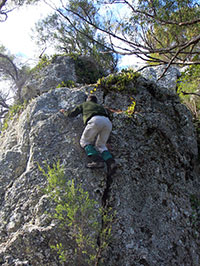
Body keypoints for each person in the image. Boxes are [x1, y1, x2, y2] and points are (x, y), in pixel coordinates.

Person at [60, 95, 117, 176]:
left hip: (95, 120)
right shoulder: (101, 107)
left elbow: (72, 114)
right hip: (108, 122)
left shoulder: (84, 104)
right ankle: (111, 163)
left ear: (87, 100)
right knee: (101, 145)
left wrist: (64, 112)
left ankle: (97, 161)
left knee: (84, 141)